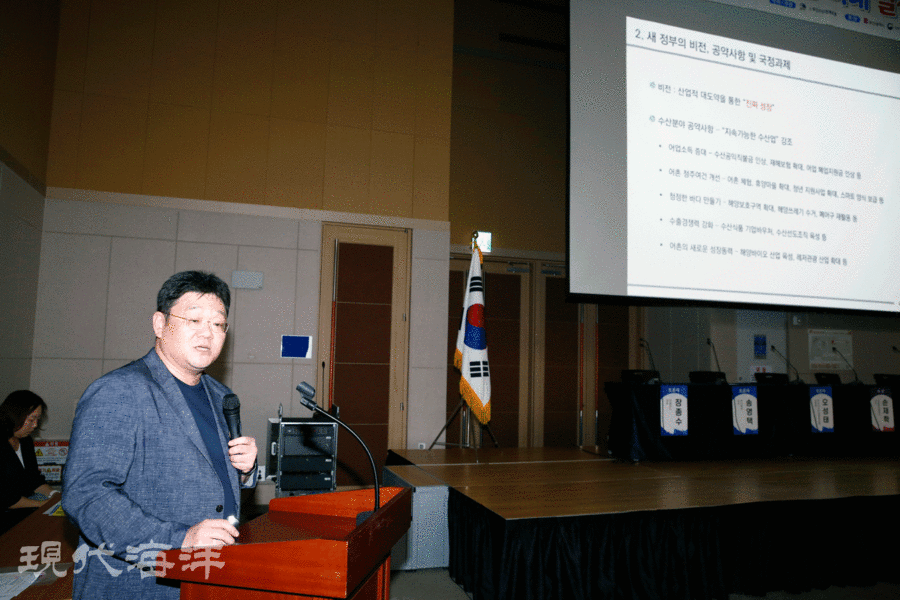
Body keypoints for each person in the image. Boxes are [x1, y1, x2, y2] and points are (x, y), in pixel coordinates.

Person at [62, 270, 258, 599]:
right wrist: (178, 539)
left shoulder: (220, 395)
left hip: (207, 579)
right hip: (138, 584)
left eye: (218, 324)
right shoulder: (120, 390)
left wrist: (246, 470)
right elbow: (87, 495)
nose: (207, 334)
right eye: (194, 320)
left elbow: (207, 483)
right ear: (159, 324)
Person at [1, 390, 58, 534]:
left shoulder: (25, 440)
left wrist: (54, 495)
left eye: (37, 420)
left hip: (25, 504)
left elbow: (33, 479)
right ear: (15, 415)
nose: (35, 425)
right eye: (32, 419)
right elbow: (6, 497)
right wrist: (41, 504)